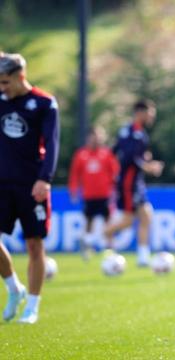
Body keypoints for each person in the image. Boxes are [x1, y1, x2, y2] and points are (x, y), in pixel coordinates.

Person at [0, 53, 60, 324]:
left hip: (31, 185)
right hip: (2, 183)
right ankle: (14, 288)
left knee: (34, 244)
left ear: (20, 77)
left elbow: (52, 144)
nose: (2, 88)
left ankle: (32, 306)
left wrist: (44, 178)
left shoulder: (45, 103)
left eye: (5, 82)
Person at [104, 100, 163, 266]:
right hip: (130, 183)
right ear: (140, 112)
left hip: (132, 181)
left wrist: (142, 160)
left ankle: (143, 257)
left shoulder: (127, 131)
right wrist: (148, 166)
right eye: (150, 112)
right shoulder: (136, 132)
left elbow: (115, 152)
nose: (152, 116)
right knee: (131, 220)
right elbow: (131, 158)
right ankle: (95, 237)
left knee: (145, 216)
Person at [68, 126, 120, 260]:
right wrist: (73, 191)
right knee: (88, 222)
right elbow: (74, 175)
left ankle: (110, 250)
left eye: (99, 136)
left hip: (105, 195)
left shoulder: (107, 154)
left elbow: (115, 172)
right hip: (89, 195)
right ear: (89, 137)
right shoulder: (81, 154)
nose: (97, 138)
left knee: (108, 222)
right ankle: (87, 248)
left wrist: (117, 189)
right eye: (94, 135)